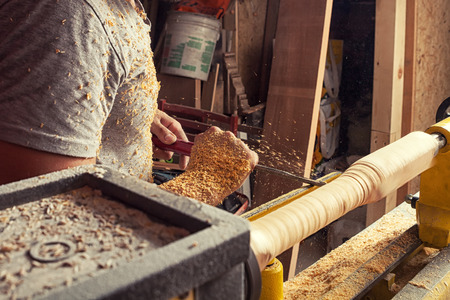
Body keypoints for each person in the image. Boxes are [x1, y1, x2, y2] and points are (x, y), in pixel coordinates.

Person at [0, 0, 257, 206]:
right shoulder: (74, 17)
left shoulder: (118, 7)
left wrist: (130, 109)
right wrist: (206, 181)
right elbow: (48, 216)